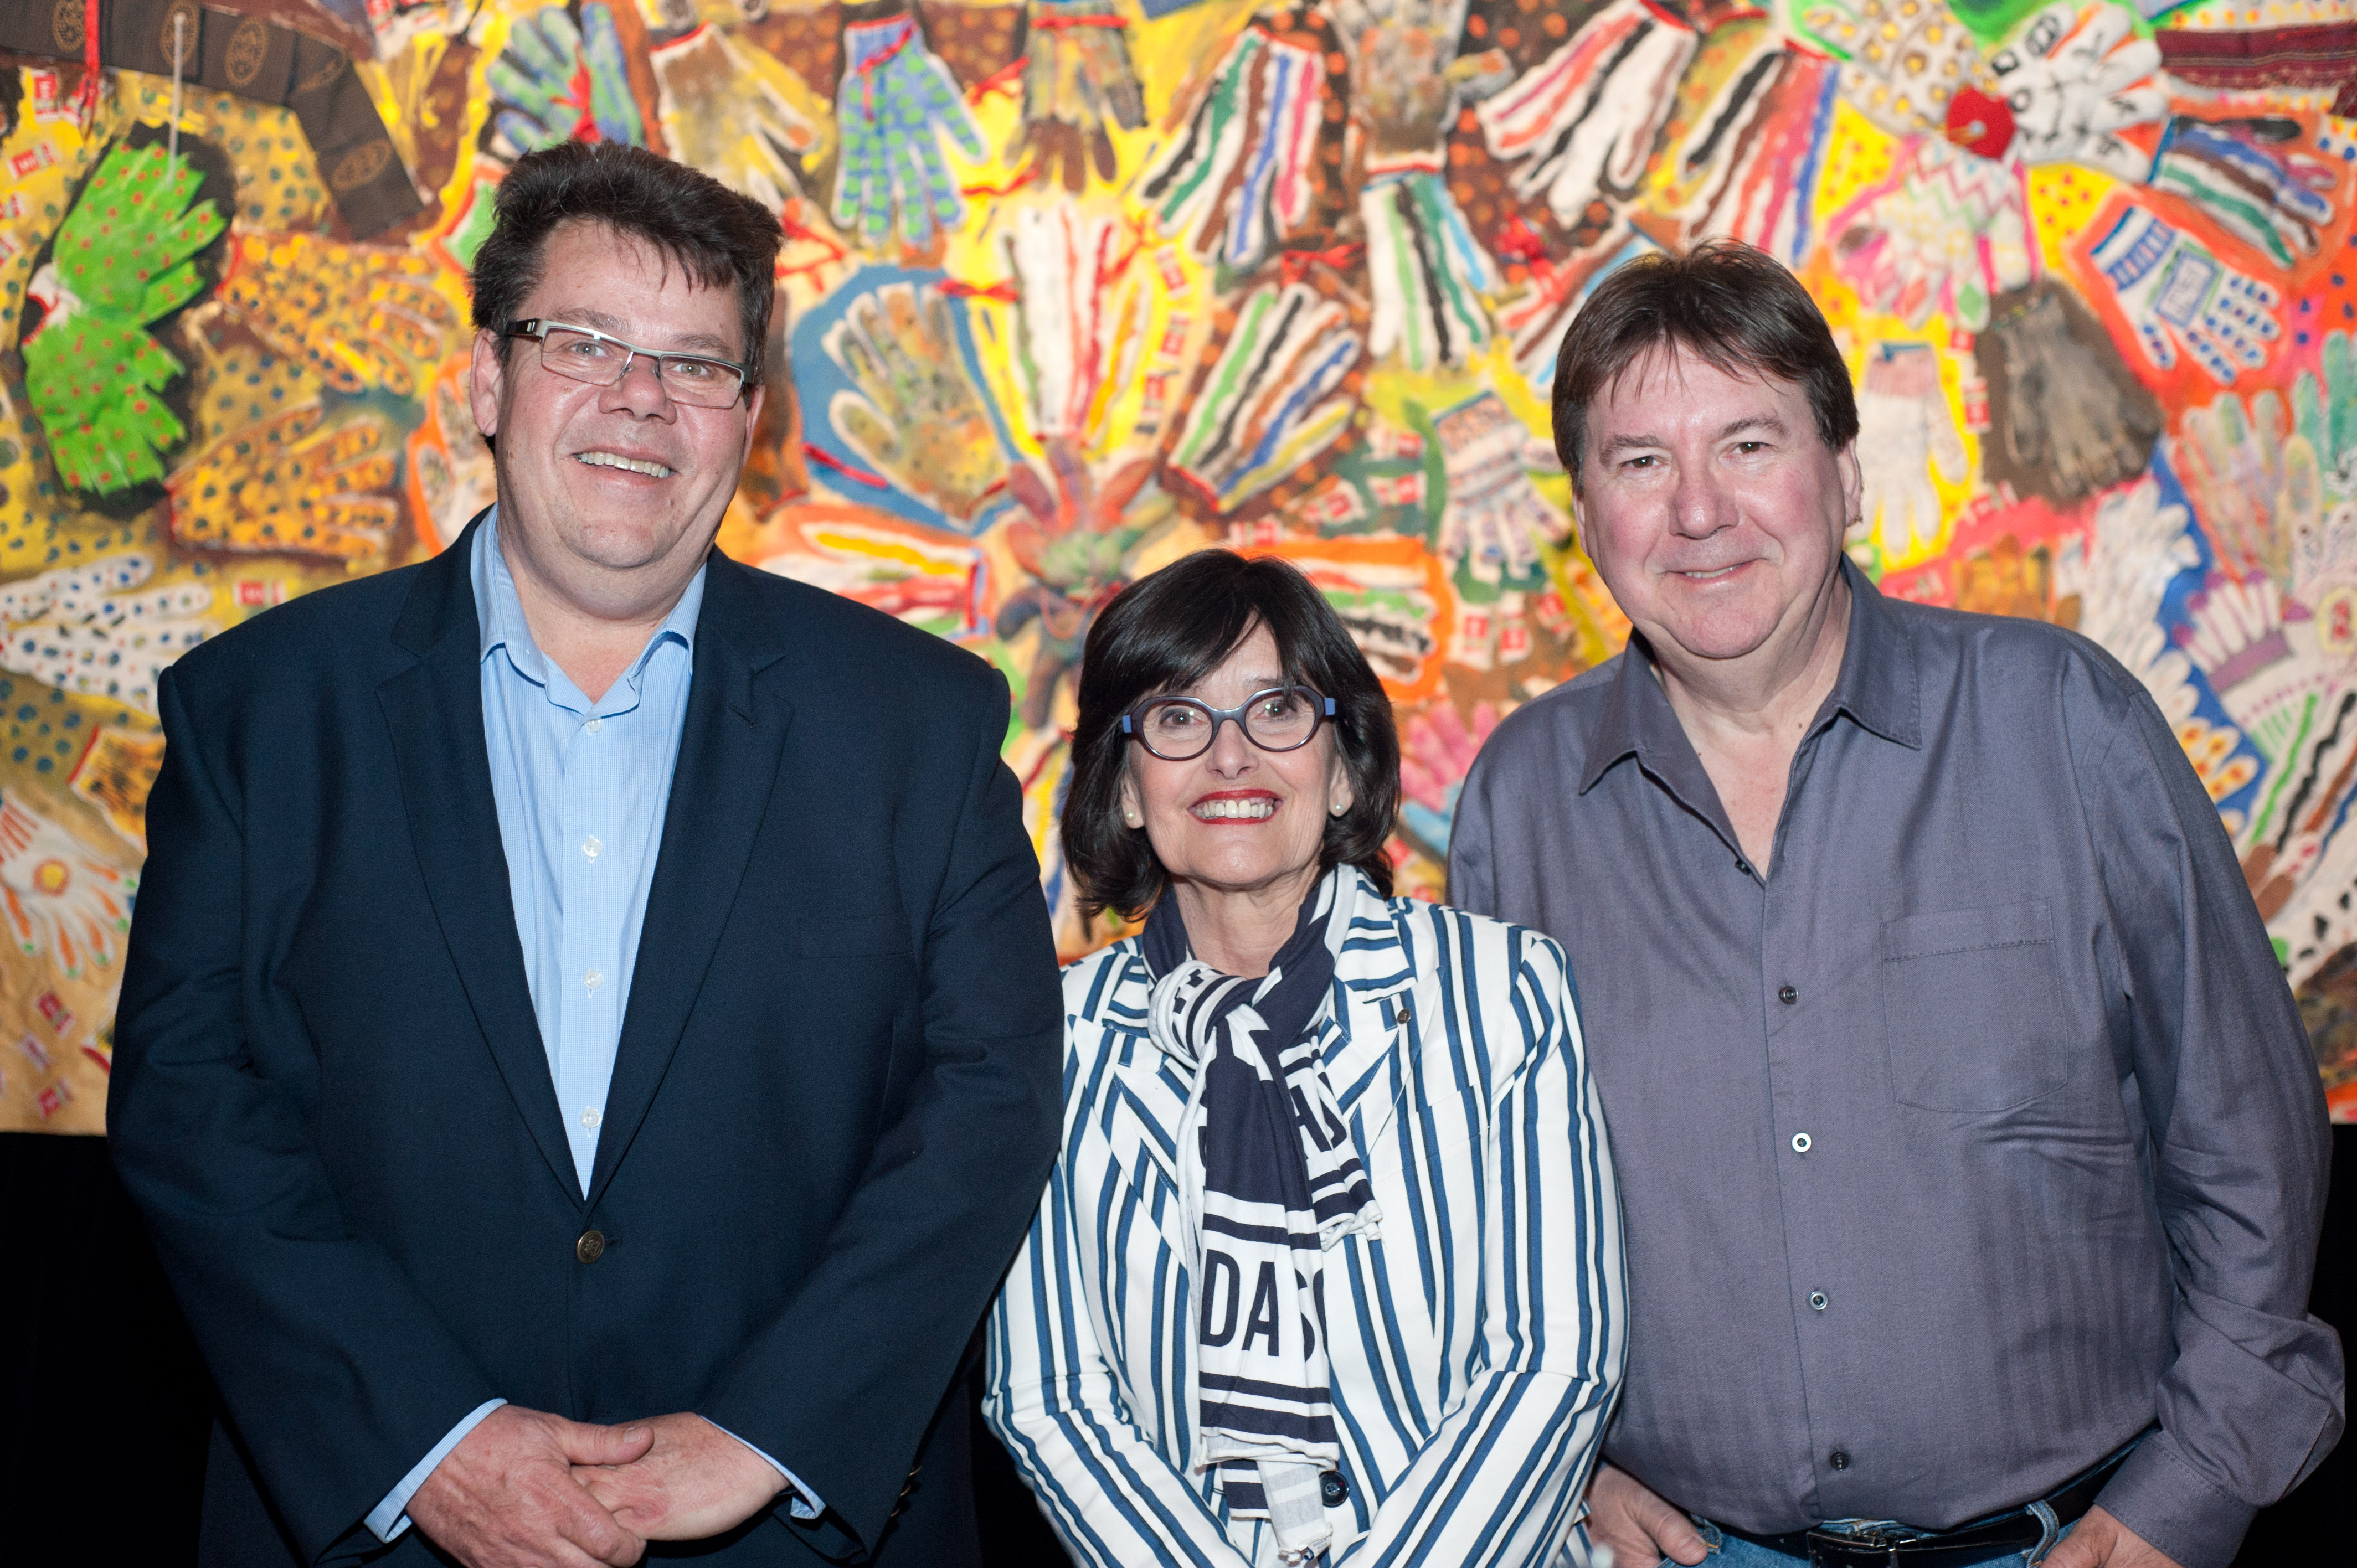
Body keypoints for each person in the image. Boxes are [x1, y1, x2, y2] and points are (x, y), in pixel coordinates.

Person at [107, 142, 1063, 1568]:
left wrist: (767, 1435)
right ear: (488, 383)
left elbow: (986, 1102)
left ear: (747, 420)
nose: (640, 399)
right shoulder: (261, 710)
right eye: (584, 342)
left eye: (696, 365)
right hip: (383, 1527)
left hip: (787, 1534)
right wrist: (427, 1441)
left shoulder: (919, 724)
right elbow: (188, 1098)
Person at [1449, 240, 2344, 1568]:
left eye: (1749, 445)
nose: (1699, 511)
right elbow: (1477, 1206)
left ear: (1846, 475)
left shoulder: (2061, 721)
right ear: (1584, 508)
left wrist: (2185, 1496)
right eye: (1641, 463)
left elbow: (2245, 1144)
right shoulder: (1520, 800)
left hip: (2069, 1545)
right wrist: (1559, 1467)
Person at [985, 549, 1626, 1567]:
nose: (1230, 758)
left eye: (1277, 711)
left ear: (1340, 767)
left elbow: (1554, 1363)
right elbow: (1051, 1398)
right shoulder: (1053, 1038)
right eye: (1179, 719)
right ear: (1129, 787)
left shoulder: (1504, 992)